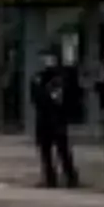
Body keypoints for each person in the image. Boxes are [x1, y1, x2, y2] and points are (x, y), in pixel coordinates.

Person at [29, 46, 79, 189]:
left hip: (57, 118)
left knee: (62, 149)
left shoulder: (62, 77)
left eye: (50, 58)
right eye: (45, 58)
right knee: (45, 150)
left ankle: (70, 176)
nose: (47, 61)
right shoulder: (38, 77)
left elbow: (66, 96)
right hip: (44, 117)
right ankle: (50, 178)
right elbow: (35, 97)